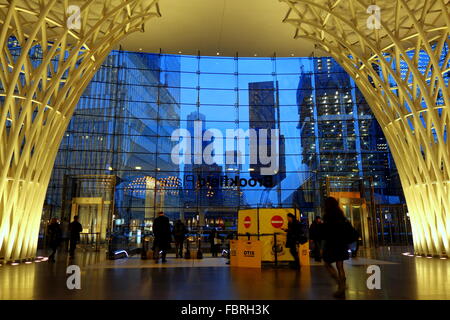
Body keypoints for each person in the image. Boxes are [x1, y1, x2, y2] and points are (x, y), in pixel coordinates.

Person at [321, 197, 359, 299]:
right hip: (341, 244)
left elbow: (326, 231)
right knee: (340, 266)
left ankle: (339, 283)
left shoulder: (327, 216)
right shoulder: (340, 215)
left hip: (331, 244)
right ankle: (341, 285)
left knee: (327, 263)